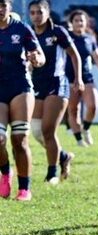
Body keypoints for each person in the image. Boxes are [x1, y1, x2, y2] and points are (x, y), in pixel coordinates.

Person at [28, 0, 80, 185]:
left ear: (48, 13)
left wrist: (78, 79)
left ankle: (52, 173)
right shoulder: (29, 33)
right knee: (36, 131)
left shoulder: (57, 31)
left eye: (40, 12)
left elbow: (74, 54)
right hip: (36, 84)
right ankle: (63, 156)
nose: (36, 16)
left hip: (57, 84)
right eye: (32, 12)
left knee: (48, 130)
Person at [0, 0, 44, 201]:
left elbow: (39, 55)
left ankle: (24, 188)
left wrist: (36, 59)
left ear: (10, 6)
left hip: (20, 87)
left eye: (3, 4)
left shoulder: (21, 28)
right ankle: (5, 172)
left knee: (19, 139)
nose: (0, 9)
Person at [65, 9, 98, 147]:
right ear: (71, 22)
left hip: (87, 77)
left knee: (93, 106)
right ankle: (79, 139)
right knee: (73, 109)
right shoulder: (66, 37)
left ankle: (86, 128)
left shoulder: (90, 38)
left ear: (86, 22)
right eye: (76, 20)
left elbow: (97, 57)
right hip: (69, 78)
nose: (79, 23)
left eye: (81, 20)